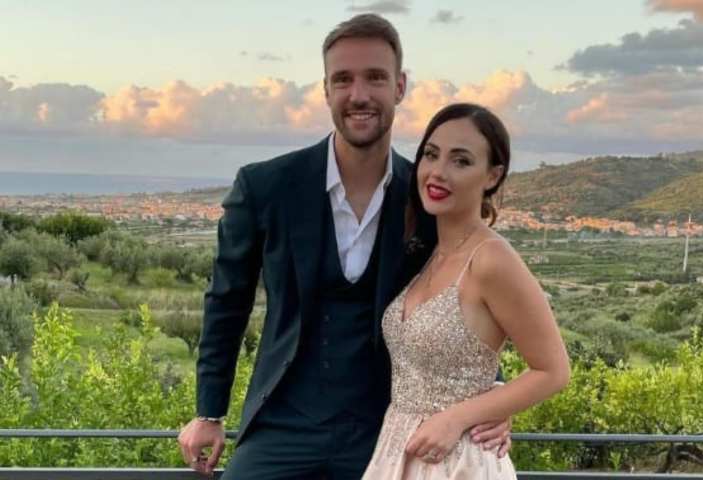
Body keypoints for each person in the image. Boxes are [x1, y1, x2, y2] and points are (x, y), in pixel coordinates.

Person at [177, 14, 511, 480]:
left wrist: (493, 394)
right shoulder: (266, 186)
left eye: (375, 77)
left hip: (387, 425)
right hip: (281, 425)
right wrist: (209, 412)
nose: (359, 95)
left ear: (399, 86)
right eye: (343, 80)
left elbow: (467, 295)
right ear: (326, 90)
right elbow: (226, 303)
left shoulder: (427, 197)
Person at [362, 103, 570, 479]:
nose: (438, 172)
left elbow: (553, 370)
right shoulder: (429, 253)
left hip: (458, 461)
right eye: (431, 154)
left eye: (461, 161)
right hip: (400, 449)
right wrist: (494, 399)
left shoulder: (491, 258)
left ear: (492, 176)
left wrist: (458, 417)